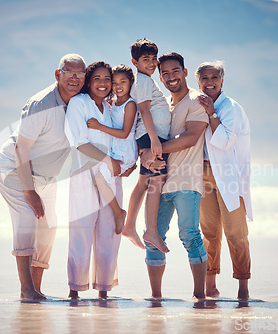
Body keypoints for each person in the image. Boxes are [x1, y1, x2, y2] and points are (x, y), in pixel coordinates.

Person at [0, 54, 86, 302]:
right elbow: (20, 148)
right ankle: (26, 290)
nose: (75, 78)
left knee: (47, 230)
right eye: (70, 73)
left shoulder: (80, 101)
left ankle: (36, 289)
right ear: (58, 75)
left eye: (80, 73)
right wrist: (29, 190)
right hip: (14, 170)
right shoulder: (41, 104)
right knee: (26, 222)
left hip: (46, 176)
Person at [141, 52, 209, 299]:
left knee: (189, 235)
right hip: (159, 182)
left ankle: (199, 296)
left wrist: (153, 150)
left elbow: (191, 138)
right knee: (152, 236)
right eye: (165, 73)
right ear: (160, 77)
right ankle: (155, 298)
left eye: (175, 71)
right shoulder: (165, 105)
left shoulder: (196, 101)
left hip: (186, 181)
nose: (171, 77)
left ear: (185, 72)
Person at [64, 61, 134, 299]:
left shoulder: (111, 107)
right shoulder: (78, 103)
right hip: (84, 175)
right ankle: (75, 290)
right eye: (97, 78)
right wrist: (108, 160)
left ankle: (103, 291)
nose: (103, 83)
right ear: (88, 81)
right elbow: (80, 143)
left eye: (107, 79)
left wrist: (128, 163)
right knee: (81, 233)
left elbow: (122, 138)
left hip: (110, 176)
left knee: (108, 234)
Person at [196, 61, 253, 300]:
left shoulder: (231, 108)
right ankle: (210, 284)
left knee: (235, 232)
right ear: (197, 81)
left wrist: (211, 113)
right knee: (209, 233)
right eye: (204, 78)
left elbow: (225, 142)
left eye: (214, 77)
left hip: (229, 176)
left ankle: (243, 286)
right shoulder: (195, 103)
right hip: (202, 174)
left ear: (222, 80)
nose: (209, 82)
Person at [121, 38, 171, 253]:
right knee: (156, 181)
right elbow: (145, 111)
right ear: (135, 62)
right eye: (145, 60)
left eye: (153, 59)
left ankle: (130, 226)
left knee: (143, 182)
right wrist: (154, 140)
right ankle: (150, 230)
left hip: (150, 137)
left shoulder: (147, 80)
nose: (151, 63)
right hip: (152, 137)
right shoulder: (142, 81)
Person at [86, 64, 138, 234]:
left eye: (122, 82)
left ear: (131, 82)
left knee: (100, 180)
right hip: (114, 150)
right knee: (101, 181)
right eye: (114, 83)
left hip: (124, 151)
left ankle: (119, 213)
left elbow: (124, 133)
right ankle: (107, 220)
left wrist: (99, 126)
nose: (118, 86)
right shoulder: (113, 103)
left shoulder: (130, 105)